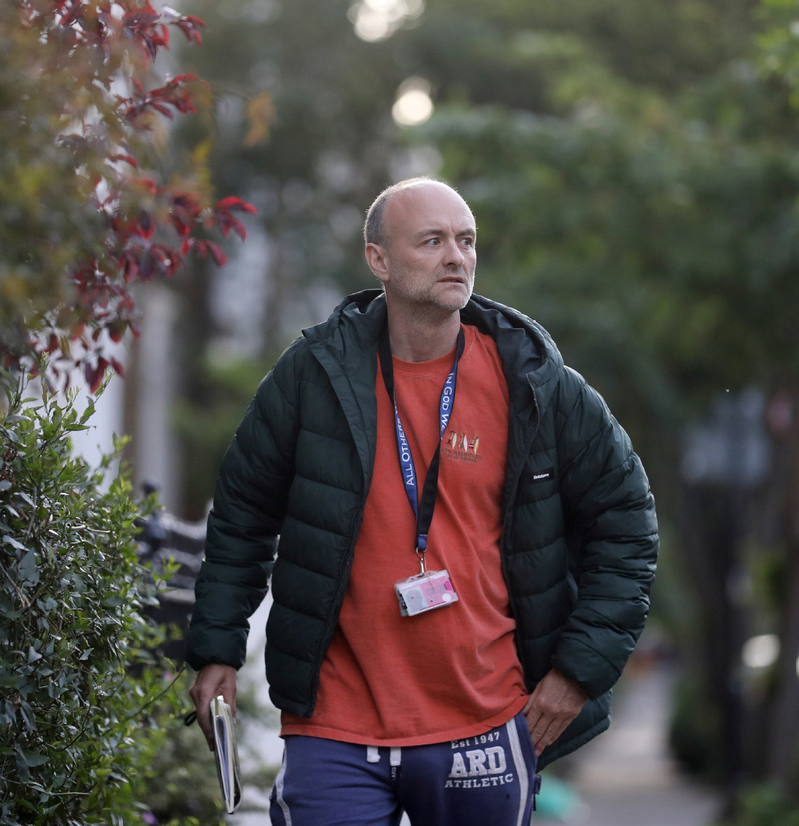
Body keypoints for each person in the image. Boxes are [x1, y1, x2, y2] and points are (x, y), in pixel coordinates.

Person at [186, 177, 658, 826]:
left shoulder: (534, 382)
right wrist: (217, 648)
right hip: (334, 724)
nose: (456, 257)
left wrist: (578, 673)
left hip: (485, 720)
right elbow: (242, 516)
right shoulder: (312, 375)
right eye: (432, 241)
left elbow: (627, 523)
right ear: (378, 259)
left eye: (466, 241)